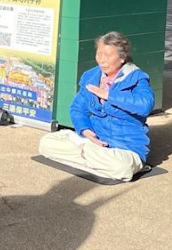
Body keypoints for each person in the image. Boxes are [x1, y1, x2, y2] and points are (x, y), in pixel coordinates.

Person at [38, 32, 154, 182]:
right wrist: (86, 131)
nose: (102, 60)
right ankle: (90, 154)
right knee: (46, 143)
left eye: (107, 56)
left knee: (121, 167)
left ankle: (88, 154)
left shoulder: (137, 78)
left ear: (122, 58)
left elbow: (145, 105)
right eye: (99, 54)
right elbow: (77, 109)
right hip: (94, 140)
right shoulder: (91, 76)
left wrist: (109, 96)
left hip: (124, 147)